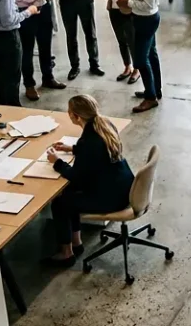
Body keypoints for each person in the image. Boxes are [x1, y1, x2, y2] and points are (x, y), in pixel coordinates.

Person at [44, 95, 134, 266]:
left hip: (111, 199)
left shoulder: (88, 141)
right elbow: (98, 152)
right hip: (124, 188)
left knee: (60, 203)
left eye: (69, 112)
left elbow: (76, 177)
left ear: (76, 116)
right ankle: (76, 243)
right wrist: (73, 149)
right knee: (69, 192)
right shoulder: (105, 124)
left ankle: (66, 253)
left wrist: (57, 162)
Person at [108, 0, 163, 113]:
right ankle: (154, 90)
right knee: (151, 55)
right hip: (146, 19)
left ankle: (150, 98)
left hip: (146, 20)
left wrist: (128, 2)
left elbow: (148, 4)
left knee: (140, 60)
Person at [9, 0, 64, 100]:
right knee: (27, 50)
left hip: (44, 8)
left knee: (46, 46)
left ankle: (48, 78)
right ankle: (29, 85)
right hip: (26, 12)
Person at [100, 0, 138, 85]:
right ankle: (127, 66)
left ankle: (137, 69)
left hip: (127, 10)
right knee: (121, 40)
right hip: (114, 10)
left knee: (132, 41)